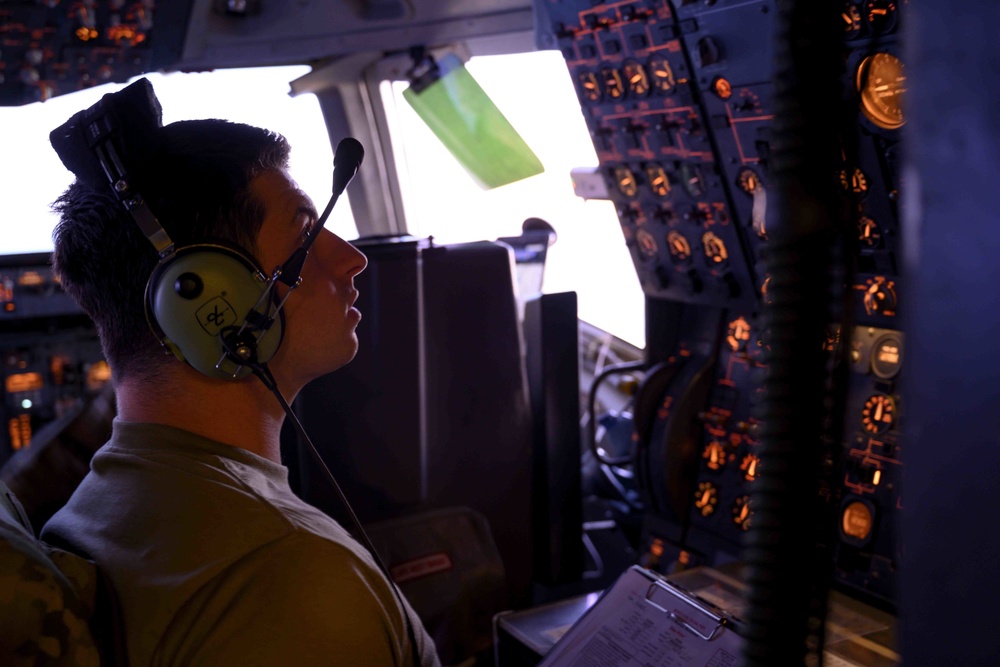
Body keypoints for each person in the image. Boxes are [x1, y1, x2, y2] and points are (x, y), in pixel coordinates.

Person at [39, 79, 441, 666]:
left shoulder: (94, 507)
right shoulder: (292, 578)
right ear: (207, 304)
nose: (352, 259)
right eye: (306, 235)